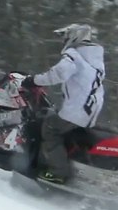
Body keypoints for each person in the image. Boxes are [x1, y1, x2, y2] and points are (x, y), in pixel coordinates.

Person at [21, 24, 105, 184]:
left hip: (78, 110)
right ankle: (71, 161)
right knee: (64, 126)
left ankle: (59, 172)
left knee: (50, 128)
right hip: (91, 109)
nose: (64, 41)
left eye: (65, 37)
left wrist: (33, 80)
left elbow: (58, 74)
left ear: (73, 37)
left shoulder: (74, 55)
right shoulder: (94, 58)